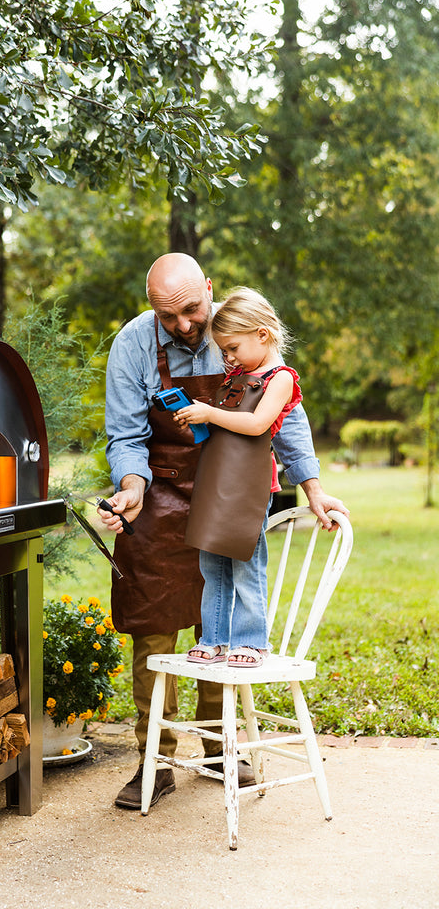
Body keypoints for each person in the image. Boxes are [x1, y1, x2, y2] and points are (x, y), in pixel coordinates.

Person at [97, 253, 348, 811]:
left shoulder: (236, 330)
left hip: (227, 494)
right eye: (169, 317)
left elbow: (286, 416)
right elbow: (125, 434)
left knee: (225, 620)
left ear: (208, 288)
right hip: (158, 497)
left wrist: (311, 487)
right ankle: (154, 760)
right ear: (151, 308)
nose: (186, 326)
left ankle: (218, 747)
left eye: (192, 310)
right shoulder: (133, 345)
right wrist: (131, 488)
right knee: (154, 626)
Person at [175, 286, 303, 669]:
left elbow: (257, 423)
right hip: (218, 480)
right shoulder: (237, 375)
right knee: (211, 561)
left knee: (245, 561)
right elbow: (224, 429)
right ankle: (215, 637)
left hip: (248, 486)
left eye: (232, 348)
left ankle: (252, 640)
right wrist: (196, 420)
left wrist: (210, 414)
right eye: (224, 351)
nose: (228, 357)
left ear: (262, 335)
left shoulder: (279, 378)